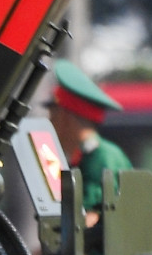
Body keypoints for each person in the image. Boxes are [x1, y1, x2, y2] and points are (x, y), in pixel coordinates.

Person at [45, 61, 132, 225]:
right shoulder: (86, 157)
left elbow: (89, 220)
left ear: (64, 117)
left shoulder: (101, 157)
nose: (50, 122)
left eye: (53, 115)